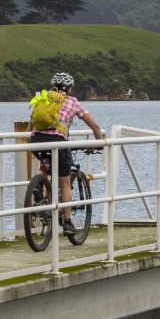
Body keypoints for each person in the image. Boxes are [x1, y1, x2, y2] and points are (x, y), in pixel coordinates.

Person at [28, 72, 103, 235]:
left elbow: (30, 126)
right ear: (69, 88)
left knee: (47, 161)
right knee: (65, 183)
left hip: (35, 141)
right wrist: (99, 143)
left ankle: (40, 186)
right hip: (58, 142)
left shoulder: (42, 98)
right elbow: (95, 127)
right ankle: (68, 222)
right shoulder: (72, 101)